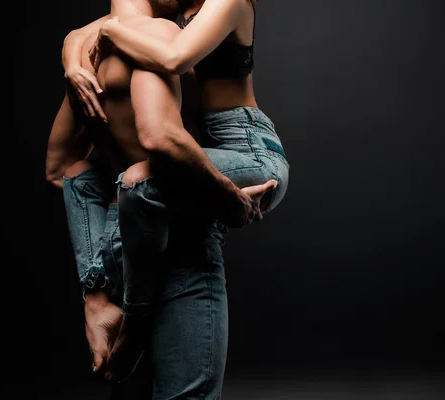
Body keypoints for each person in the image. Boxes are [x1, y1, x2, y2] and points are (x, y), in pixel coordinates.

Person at [46, 0, 275, 397]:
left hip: (121, 252)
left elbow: (63, 169)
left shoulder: (87, 52)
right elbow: (161, 137)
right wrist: (227, 196)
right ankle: (131, 320)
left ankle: (101, 299)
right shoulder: (159, 38)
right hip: (179, 245)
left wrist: (72, 54)